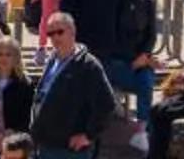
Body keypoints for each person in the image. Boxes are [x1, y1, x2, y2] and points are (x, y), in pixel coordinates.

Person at [26, 15, 117, 159]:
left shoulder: (88, 65)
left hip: (69, 150)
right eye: (51, 33)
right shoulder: (52, 60)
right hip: (44, 145)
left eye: (60, 32)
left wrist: (88, 135)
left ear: (72, 31)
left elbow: (107, 104)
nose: (55, 37)